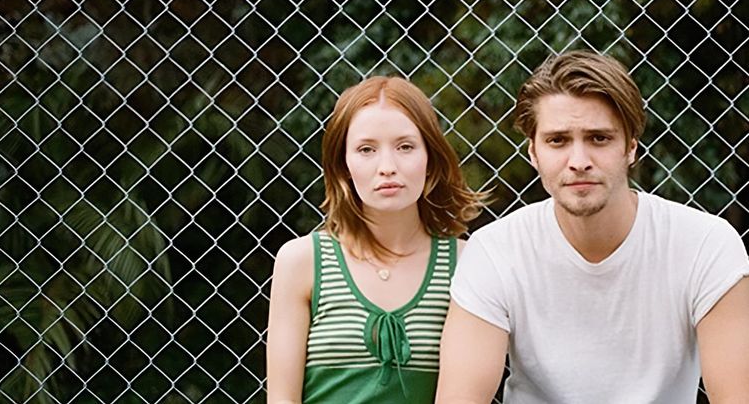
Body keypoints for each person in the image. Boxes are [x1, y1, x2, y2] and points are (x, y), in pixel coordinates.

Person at [436, 50, 749, 403]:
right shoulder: (495, 251)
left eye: (599, 138)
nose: (579, 161)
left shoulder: (705, 244)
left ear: (631, 147)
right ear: (533, 153)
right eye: (558, 140)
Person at [266, 76, 487, 403]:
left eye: (405, 147)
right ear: (343, 165)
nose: (387, 167)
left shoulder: (467, 264)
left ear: (430, 158)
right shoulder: (301, 262)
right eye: (366, 149)